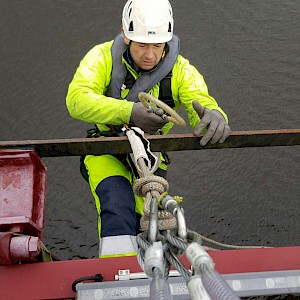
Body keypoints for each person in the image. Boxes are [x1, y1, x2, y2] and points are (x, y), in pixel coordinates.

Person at [66, 0, 231, 258]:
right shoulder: (101, 58)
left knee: (151, 224)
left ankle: (155, 275)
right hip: (107, 150)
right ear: (126, 35)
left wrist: (215, 115)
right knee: (116, 206)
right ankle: (116, 277)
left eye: (157, 46)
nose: (150, 55)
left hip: (151, 160)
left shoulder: (181, 71)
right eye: (142, 45)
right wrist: (129, 111)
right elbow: (76, 99)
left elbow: (200, 98)